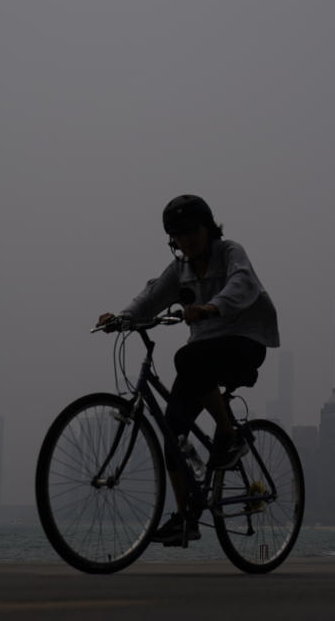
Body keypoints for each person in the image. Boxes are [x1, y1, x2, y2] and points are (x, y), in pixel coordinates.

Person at [97, 194, 279, 547]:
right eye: (178, 234)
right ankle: (186, 519)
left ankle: (230, 437)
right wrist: (120, 317)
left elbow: (243, 284)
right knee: (172, 432)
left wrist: (211, 307)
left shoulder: (230, 253)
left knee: (187, 358)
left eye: (191, 231)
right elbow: (151, 296)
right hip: (205, 352)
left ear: (208, 228)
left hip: (245, 341)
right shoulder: (178, 271)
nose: (186, 239)